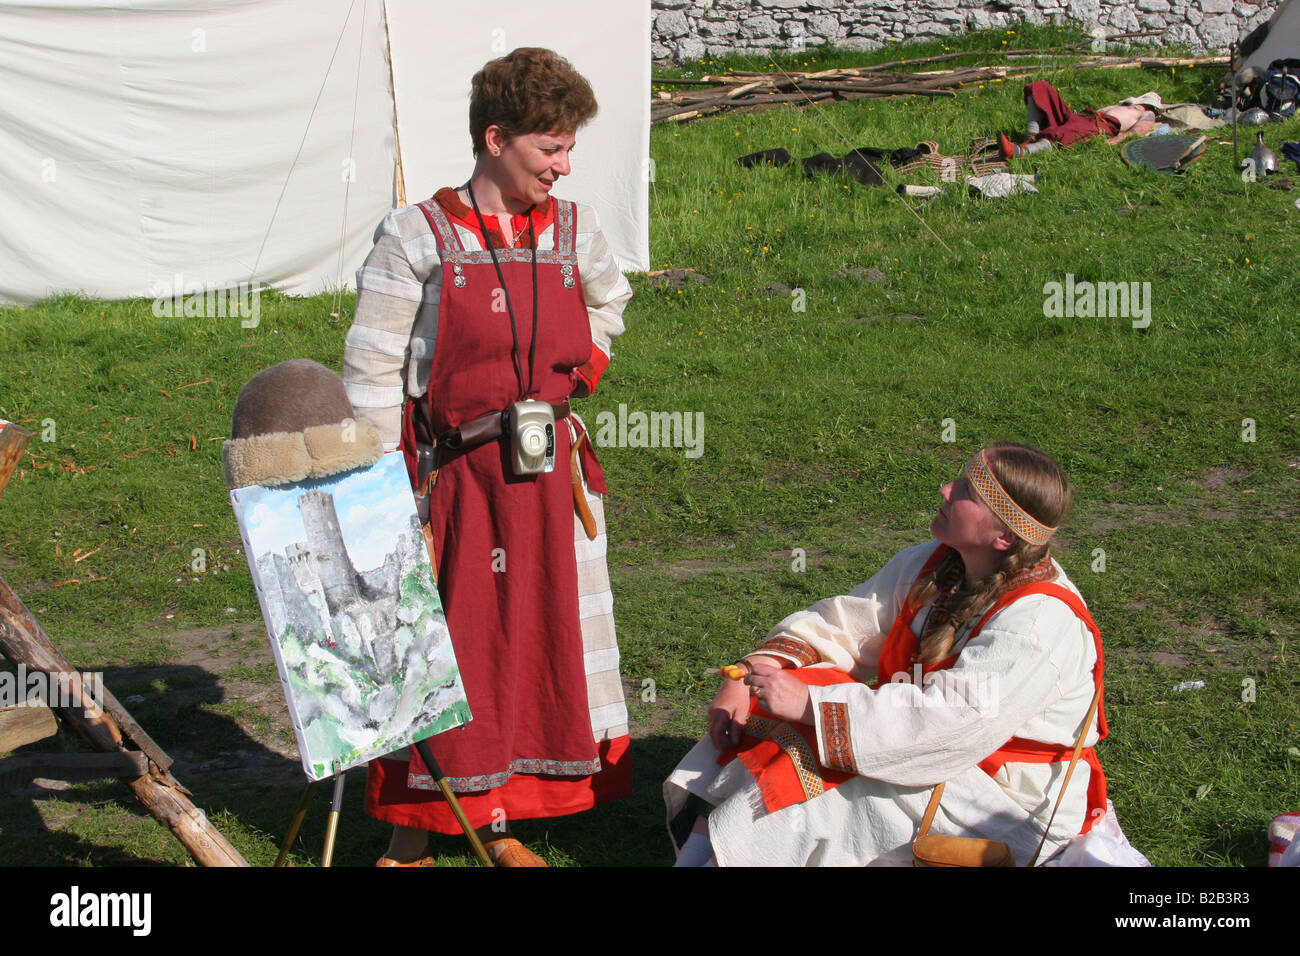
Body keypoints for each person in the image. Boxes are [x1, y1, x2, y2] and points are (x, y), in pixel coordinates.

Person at [342, 47, 633, 866]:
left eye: (569, 147)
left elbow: (610, 300)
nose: (564, 165)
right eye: (550, 148)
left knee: (535, 645)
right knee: (458, 650)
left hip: (549, 482)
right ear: (496, 138)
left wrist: (585, 367)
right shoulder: (417, 236)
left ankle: (496, 824)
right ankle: (411, 838)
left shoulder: (574, 228)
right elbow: (369, 369)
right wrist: (378, 490)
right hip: (459, 484)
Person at [666, 443, 1108, 866]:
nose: (945, 490)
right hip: (921, 746)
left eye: (968, 493)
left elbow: (949, 723)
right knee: (772, 721)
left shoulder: (1038, 625)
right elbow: (844, 625)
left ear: (1004, 535)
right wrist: (749, 672)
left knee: (816, 788)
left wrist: (810, 706)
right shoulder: (934, 565)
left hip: (1006, 797)